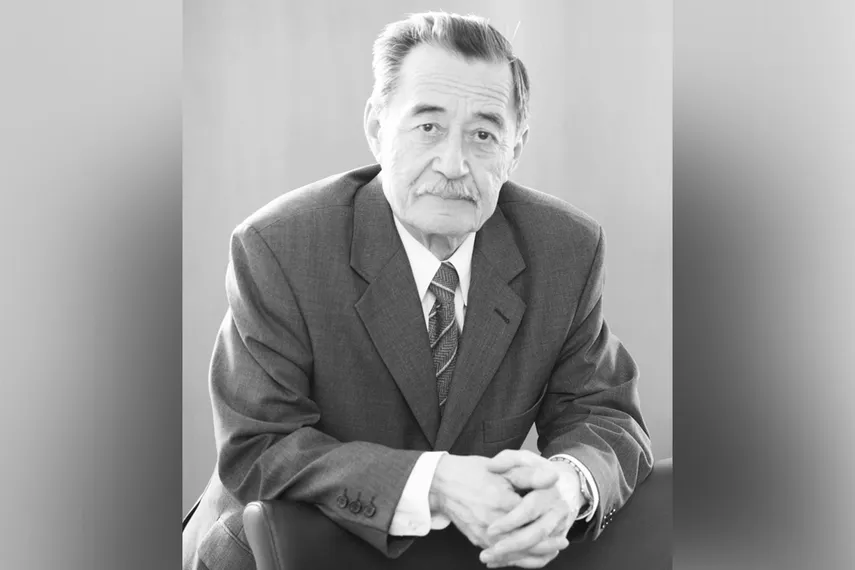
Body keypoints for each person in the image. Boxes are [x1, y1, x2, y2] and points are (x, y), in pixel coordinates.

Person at [182, 11, 653, 570]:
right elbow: (260, 446)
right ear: (377, 127)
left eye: (484, 135)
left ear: (516, 149)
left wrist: (569, 485)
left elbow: (606, 415)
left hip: (462, 555)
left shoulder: (564, 250)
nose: (453, 165)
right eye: (428, 126)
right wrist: (434, 482)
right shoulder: (280, 247)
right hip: (275, 549)